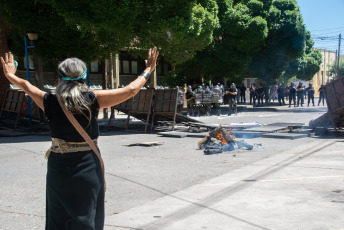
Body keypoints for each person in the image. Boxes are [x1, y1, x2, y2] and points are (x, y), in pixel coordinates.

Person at [1, 48, 158, 230]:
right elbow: (131, 90)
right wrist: (148, 70)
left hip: (58, 166)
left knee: (58, 219)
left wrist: (10, 74)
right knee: (86, 218)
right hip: (87, 165)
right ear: (84, 77)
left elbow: (26, 86)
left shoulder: (49, 101)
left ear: (59, 78)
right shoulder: (93, 99)